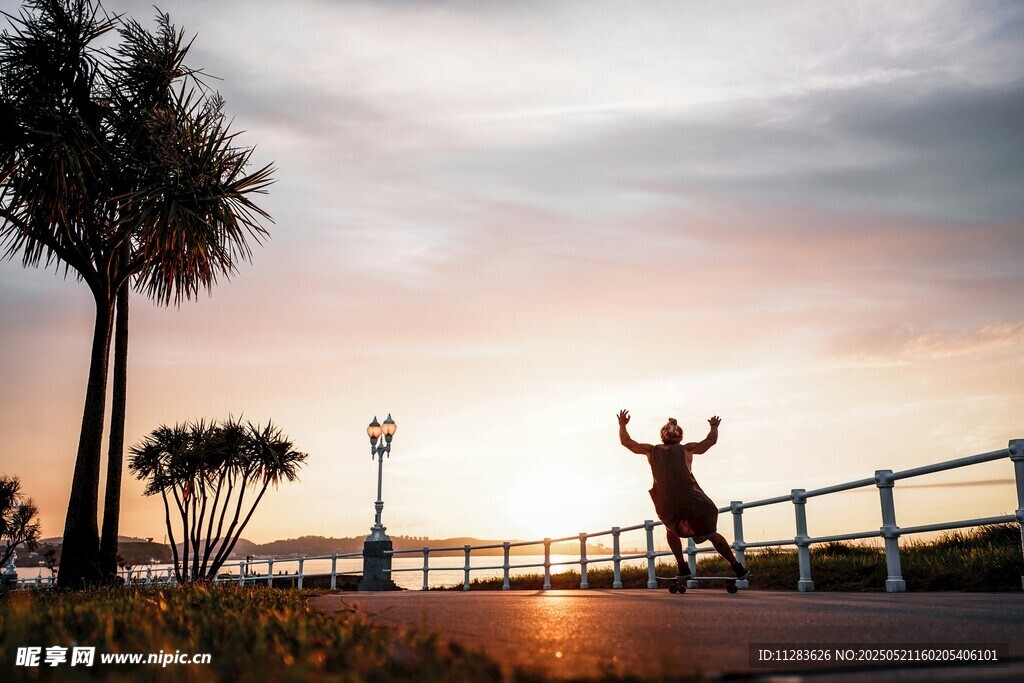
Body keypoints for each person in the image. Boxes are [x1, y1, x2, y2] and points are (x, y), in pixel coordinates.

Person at [617, 409, 748, 582]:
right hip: (692, 499)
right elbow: (711, 441)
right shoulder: (687, 449)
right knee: (710, 532)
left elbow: (626, 442)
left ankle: (682, 566)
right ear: (680, 437)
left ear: (662, 436)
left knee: (671, 529)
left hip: (666, 501)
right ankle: (736, 567)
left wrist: (622, 425)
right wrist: (714, 426)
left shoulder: (651, 451)